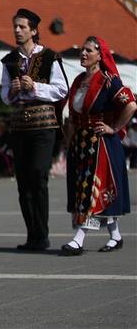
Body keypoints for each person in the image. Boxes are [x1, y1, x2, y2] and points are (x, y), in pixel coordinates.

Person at [0, 8, 68, 251]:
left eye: (22, 27)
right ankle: (32, 235)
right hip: (19, 125)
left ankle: (42, 234)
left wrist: (36, 87)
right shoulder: (9, 60)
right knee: (23, 181)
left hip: (43, 123)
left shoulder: (50, 57)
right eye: (15, 26)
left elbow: (62, 90)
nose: (17, 31)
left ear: (34, 31)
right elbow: (4, 96)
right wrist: (14, 90)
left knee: (38, 174)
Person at [60, 36, 135, 255]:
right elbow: (73, 116)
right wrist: (69, 140)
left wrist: (114, 127)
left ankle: (79, 239)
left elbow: (130, 105)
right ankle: (116, 236)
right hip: (81, 143)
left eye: (89, 50)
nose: (83, 54)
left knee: (91, 190)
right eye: (82, 50)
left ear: (100, 56)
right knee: (88, 190)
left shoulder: (108, 81)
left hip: (101, 144)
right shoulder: (77, 81)